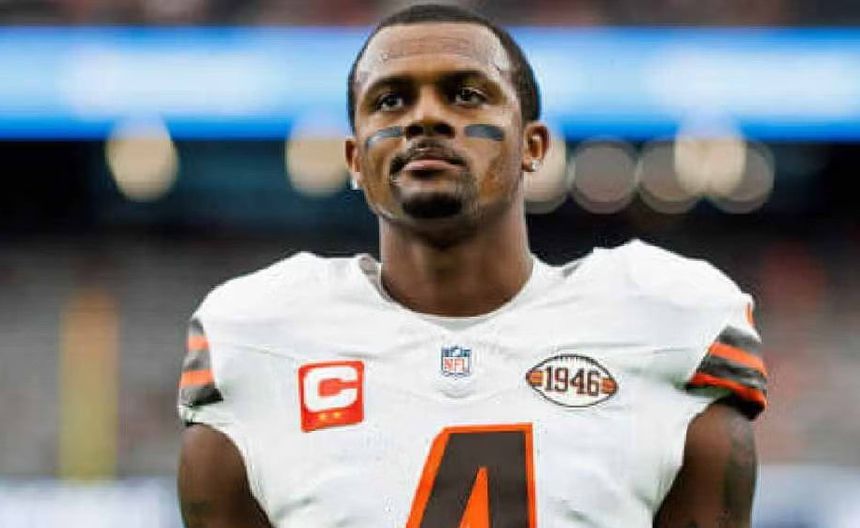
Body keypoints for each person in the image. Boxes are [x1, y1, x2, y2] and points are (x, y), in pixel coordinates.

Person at [176, 4, 768, 527]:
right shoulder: (257, 339)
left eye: (466, 94)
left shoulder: (666, 320)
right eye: (390, 100)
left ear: (534, 146)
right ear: (355, 160)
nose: (425, 118)